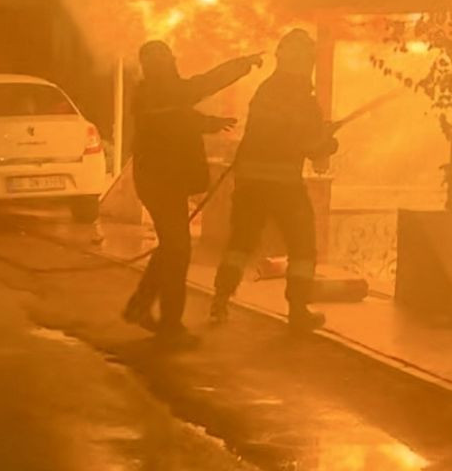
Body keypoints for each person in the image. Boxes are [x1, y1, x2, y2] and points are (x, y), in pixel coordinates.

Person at [124, 39, 262, 349]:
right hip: (160, 182)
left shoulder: (157, 93)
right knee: (178, 249)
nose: (168, 64)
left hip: (163, 181)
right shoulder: (154, 94)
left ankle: (140, 305)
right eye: (163, 59)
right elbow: (185, 107)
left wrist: (240, 65)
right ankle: (170, 324)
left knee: (172, 246)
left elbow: (186, 104)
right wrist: (240, 67)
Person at [211, 27, 338, 334]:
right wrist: (328, 143)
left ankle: (220, 299)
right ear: (305, 61)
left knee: (240, 242)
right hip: (283, 185)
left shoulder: (266, 90)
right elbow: (309, 145)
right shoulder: (301, 99)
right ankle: (297, 310)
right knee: (303, 245)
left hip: (251, 182)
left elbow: (273, 134)